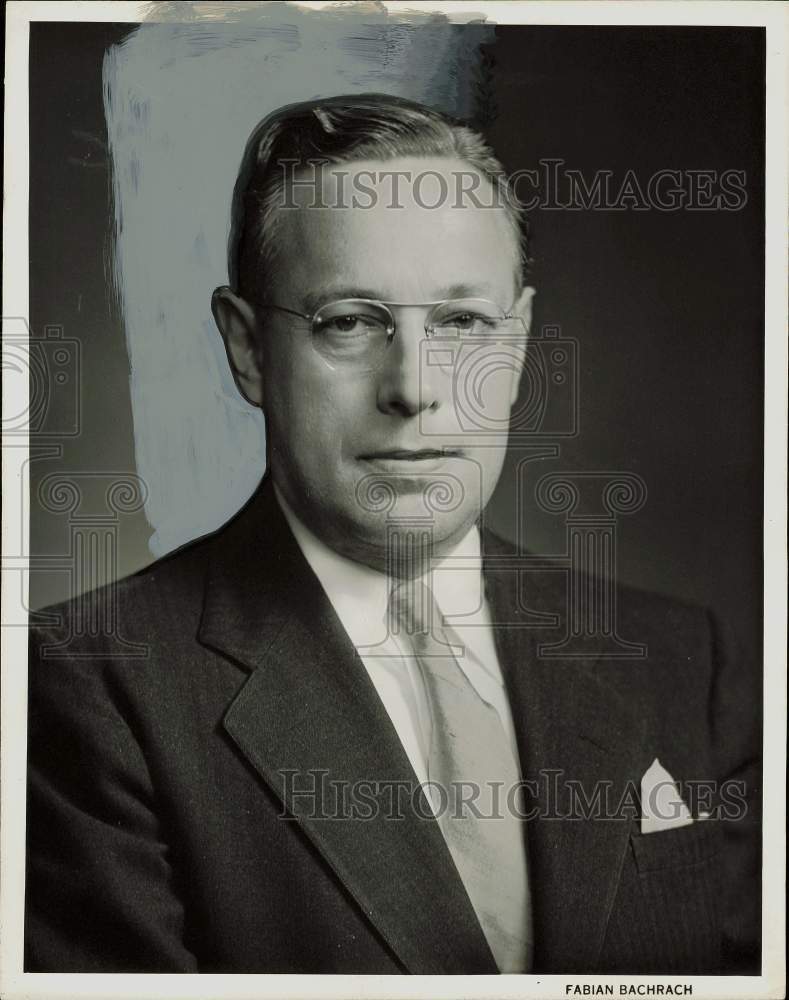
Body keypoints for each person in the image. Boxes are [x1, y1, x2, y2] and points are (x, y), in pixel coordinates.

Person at [25, 94, 760, 975]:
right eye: (349, 321)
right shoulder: (88, 685)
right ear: (249, 349)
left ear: (518, 342)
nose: (414, 387)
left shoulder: (677, 654)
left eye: (461, 323)